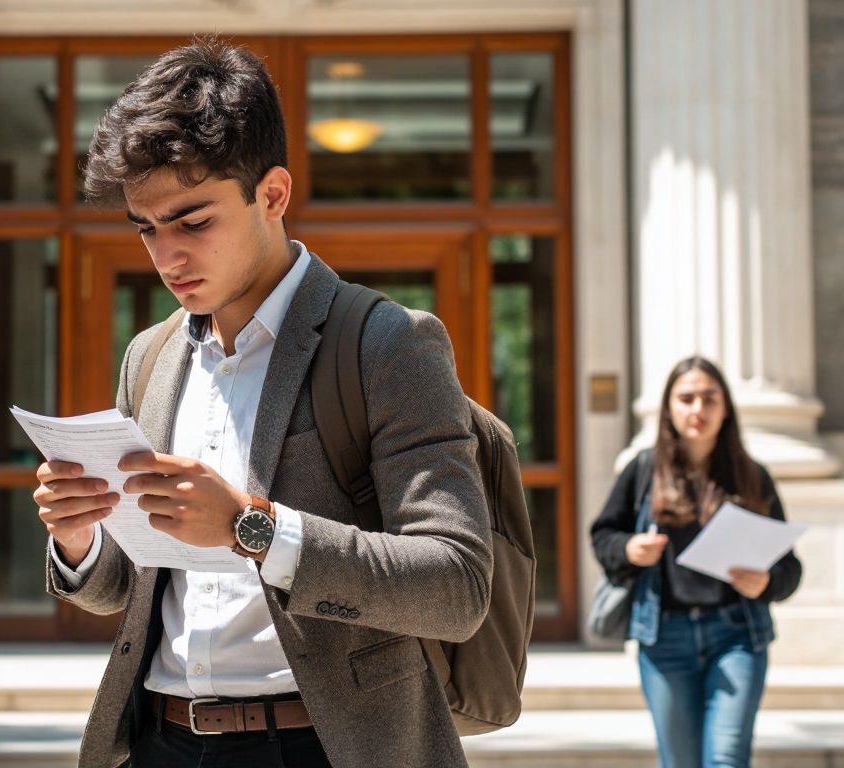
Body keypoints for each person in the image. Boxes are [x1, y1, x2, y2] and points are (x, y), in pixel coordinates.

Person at [32, 38, 494, 768]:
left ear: (272, 194)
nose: (166, 257)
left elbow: (456, 585)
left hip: (325, 745)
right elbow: (125, 589)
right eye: (145, 229)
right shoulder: (149, 357)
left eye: (192, 222)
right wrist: (79, 537)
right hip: (162, 739)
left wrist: (252, 527)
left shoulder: (387, 344)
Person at [590, 356, 803, 768]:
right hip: (663, 637)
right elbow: (603, 536)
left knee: (726, 759)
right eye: (686, 398)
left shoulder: (751, 476)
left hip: (737, 636)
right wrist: (629, 549)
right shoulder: (644, 469)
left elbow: (789, 568)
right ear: (669, 407)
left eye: (709, 399)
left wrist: (768, 583)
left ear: (726, 407)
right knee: (680, 762)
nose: (698, 410)